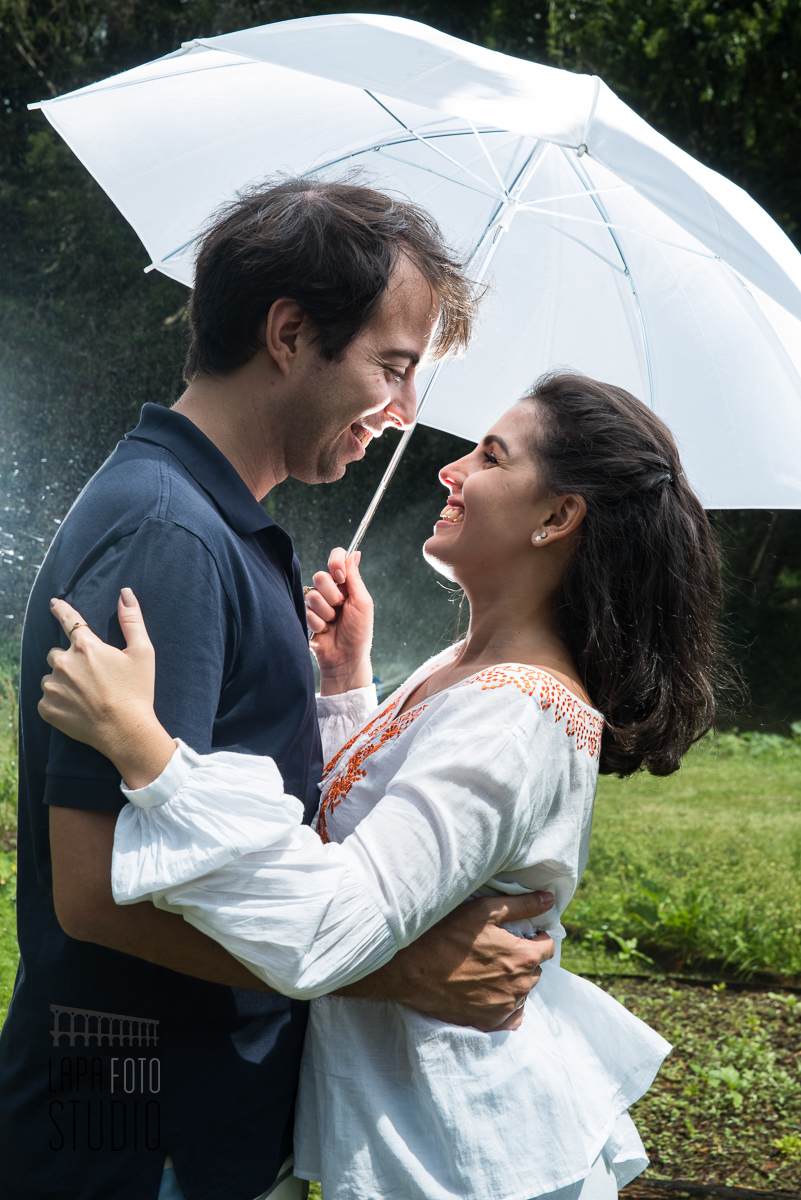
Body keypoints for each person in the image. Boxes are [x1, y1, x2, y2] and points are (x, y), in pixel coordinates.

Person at [1, 177, 557, 1200]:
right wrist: (400, 972)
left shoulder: (211, 523)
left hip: (173, 1104)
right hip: (138, 1111)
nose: (404, 414)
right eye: (393, 367)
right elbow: (93, 893)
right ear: (291, 332)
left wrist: (339, 689)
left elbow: (245, 819)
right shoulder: (169, 533)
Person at [39, 373, 726, 1200]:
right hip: (416, 1134)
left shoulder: (520, 713)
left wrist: (148, 750)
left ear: (556, 517)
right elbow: (367, 840)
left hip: (465, 1156)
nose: (451, 468)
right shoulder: (463, 667)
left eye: (489, 456)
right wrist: (345, 692)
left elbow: (335, 922)